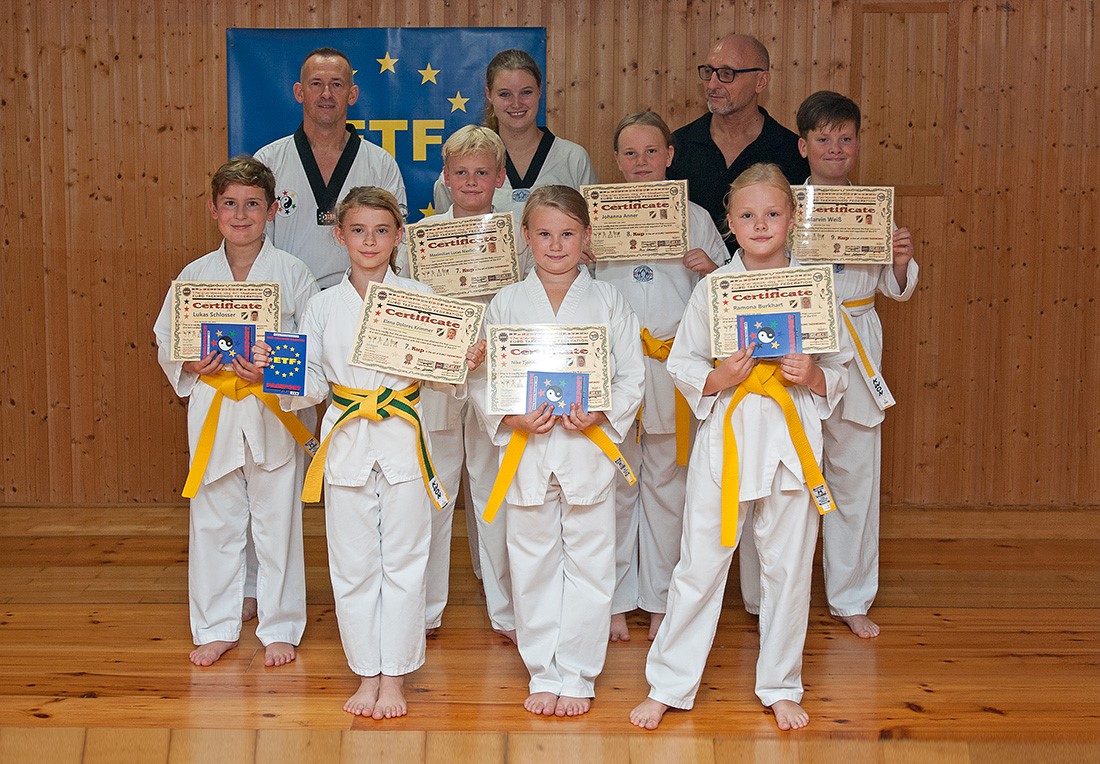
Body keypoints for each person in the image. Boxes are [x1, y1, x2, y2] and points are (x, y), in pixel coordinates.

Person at [629, 163, 851, 732]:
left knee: (788, 567)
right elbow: (683, 367)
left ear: (792, 219)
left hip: (791, 441)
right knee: (699, 565)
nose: (760, 224)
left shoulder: (813, 287)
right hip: (726, 442)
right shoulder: (712, 290)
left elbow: (840, 370)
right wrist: (720, 376)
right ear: (729, 223)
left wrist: (813, 374)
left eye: (772, 213)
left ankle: (780, 683)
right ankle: (669, 683)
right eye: (747, 215)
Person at [255, 186, 486, 719]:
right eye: (358, 230)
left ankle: (396, 676)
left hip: (405, 438)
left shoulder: (420, 298)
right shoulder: (320, 305)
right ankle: (366, 671)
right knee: (353, 564)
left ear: (398, 236)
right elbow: (309, 386)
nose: (370, 241)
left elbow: (442, 379)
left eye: (382, 231)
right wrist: (276, 367)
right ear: (339, 236)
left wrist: (462, 363)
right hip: (346, 439)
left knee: (407, 561)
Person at [738, 91, 919, 639]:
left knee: (853, 473)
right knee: (775, 471)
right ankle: (764, 596)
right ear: (803, 146)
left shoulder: (873, 208)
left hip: (856, 341)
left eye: (845, 138)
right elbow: (754, 261)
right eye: (823, 139)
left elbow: (896, 289)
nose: (835, 148)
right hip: (794, 345)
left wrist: (901, 260)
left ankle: (850, 596)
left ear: (858, 143)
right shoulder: (782, 207)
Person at [472, 185, 644, 717]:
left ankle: (579, 672)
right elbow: (485, 378)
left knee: (591, 563)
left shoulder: (609, 299)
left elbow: (631, 374)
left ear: (587, 238)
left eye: (567, 234)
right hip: (527, 447)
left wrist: (602, 410)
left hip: (585, 448)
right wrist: (508, 415)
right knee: (532, 563)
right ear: (525, 237)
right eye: (544, 233)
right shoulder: (505, 302)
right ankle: (543, 669)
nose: (555, 244)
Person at [153, 156, 318, 667]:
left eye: (252, 205)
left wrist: (271, 372)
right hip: (215, 409)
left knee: (278, 524)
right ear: (213, 209)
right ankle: (215, 625)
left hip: (273, 410)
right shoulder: (195, 276)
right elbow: (167, 338)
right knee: (214, 521)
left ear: (272, 211)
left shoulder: (293, 274)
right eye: (230, 204)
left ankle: (281, 625)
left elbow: (312, 348)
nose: (241, 215)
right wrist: (190, 361)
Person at [592, 111, 727, 642]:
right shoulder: (599, 218)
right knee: (616, 486)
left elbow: (731, 295)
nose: (641, 162)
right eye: (630, 153)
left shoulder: (695, 218)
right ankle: (617, 599)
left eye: (652, 152)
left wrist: (711, 269)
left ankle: (663, 598)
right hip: (618, 367)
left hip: (675, 364)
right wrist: (583, 259)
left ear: (671, 156)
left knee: (670, 488)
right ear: (617, 161)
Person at [399, 125, 530, 640]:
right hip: (435, 380)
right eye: (460, 173)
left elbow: (527, 307)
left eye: (482, 172)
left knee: (496, 494)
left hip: (496, 376)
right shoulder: (417, 240)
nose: (471, 182)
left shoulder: (520, 233)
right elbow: (407, 309)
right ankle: (426, 610)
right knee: (434, 492)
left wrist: (489, 349)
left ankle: (507, 611)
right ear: (445, 179)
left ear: (500, 178)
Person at [256, 47, 407, 289]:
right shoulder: (269, 161)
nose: (326, 93)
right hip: (288, 296)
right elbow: (256, 239)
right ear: (299, 91)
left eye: (336, 84)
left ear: (352, 94)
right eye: (316, 83)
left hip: (359, 297)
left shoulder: (380, 163)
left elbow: (398, 240)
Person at [667, 34, 808, 255]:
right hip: (693, 285)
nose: (712, 84)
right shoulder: (677, 147)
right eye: (708, 72)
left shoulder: (791, 151)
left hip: (766, 285)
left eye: (726, 74)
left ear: (761, 81)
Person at [433, 49, 597, 217]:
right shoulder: (464, 165)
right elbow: (447, 231)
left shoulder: (573, 158)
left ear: (540, 90)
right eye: (505, 94)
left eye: (526, 92)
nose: (516, 104)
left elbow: (591, 229)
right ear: (489, 95)